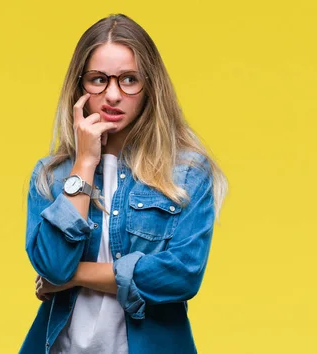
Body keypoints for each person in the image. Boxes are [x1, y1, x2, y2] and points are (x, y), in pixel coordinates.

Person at [20, 13, 228, 354]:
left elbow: (181, 275)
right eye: (98, 80)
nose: (113, 95)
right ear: (79, 86)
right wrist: (85, 164)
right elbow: (53, 264)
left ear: (150, 87)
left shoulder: (187, 172)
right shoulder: (52, 176)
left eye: (129, 79)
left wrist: (74, 276)